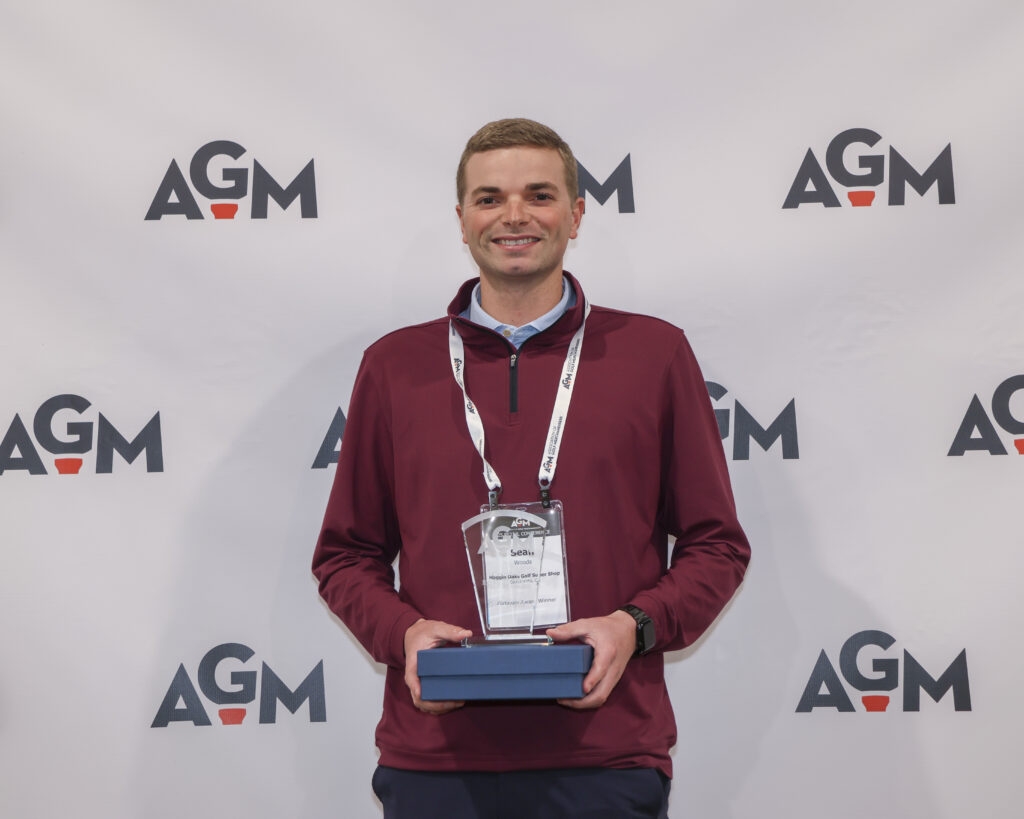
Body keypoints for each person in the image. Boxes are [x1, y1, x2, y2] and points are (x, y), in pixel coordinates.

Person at [312, 118, 750, 818]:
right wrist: (404, 635)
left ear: (576, 214)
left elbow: (716, 546)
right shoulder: (394, 366)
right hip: (435, 761)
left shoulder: (656, 354)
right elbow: (346, 554)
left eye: (539, 194)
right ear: (461, 220)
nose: (514, 215)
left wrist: (632, 625)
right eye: (489, 198)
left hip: (604, 757)